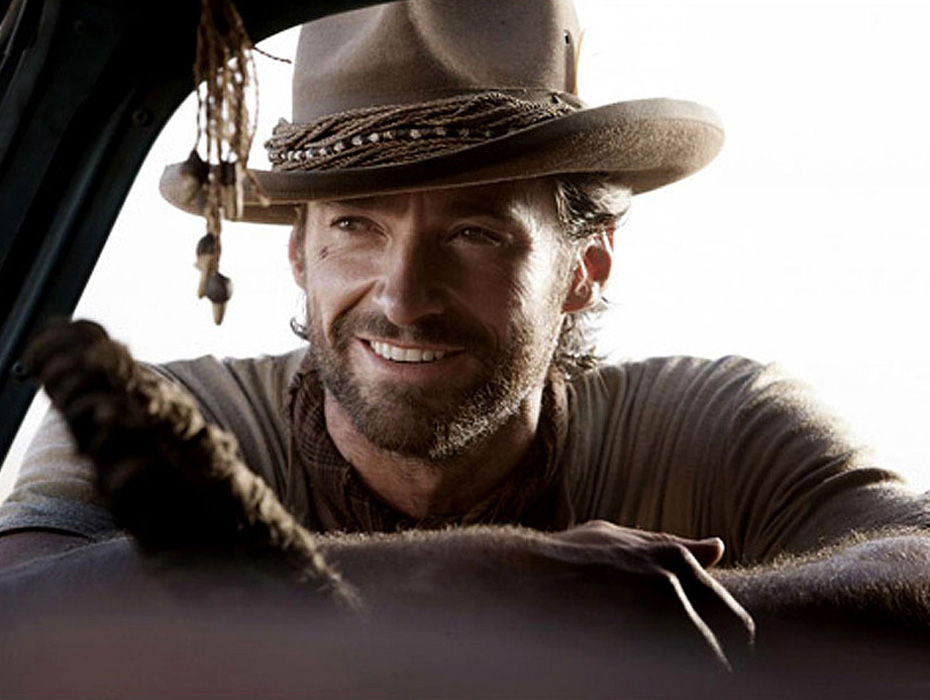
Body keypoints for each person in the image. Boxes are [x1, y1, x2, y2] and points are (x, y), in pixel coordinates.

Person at [2, 0, 930, 689]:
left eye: (477, 234)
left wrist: (663, 611)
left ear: (585, 266)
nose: (403, 299)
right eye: (356, 226)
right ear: (298, 252)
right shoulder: (171, 419)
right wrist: (469, 582)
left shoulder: (718, 422)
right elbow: (16, 609)